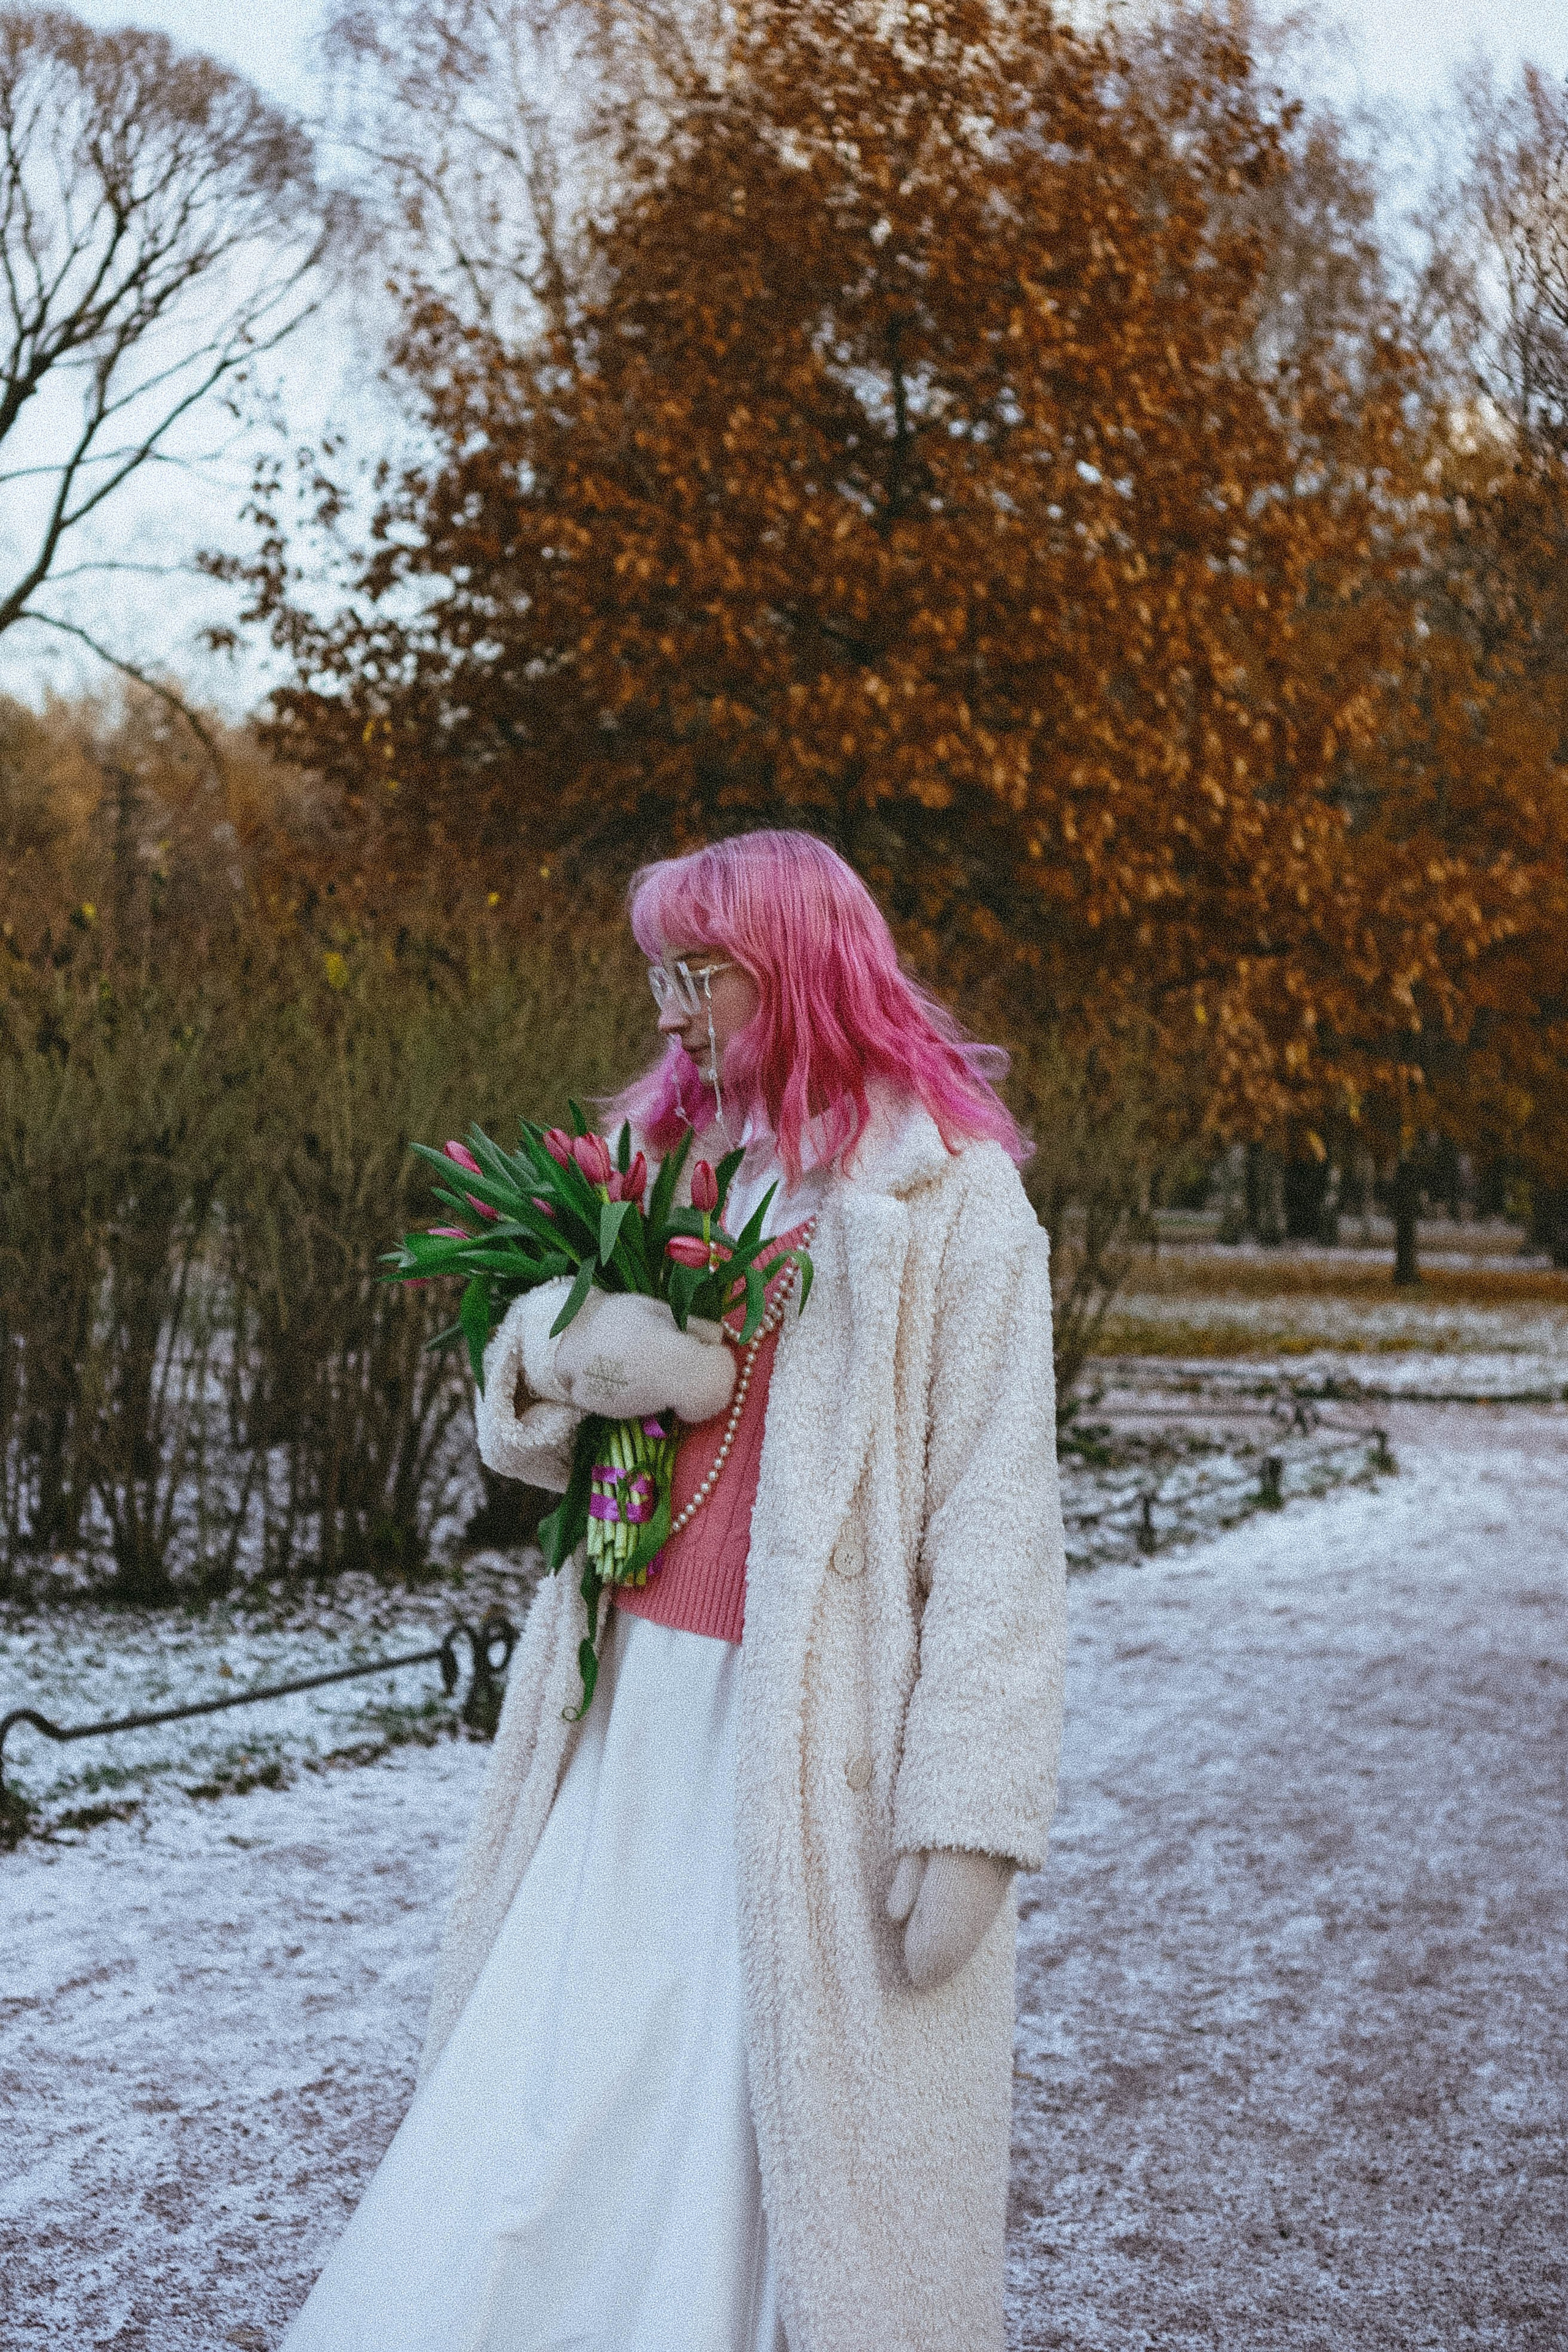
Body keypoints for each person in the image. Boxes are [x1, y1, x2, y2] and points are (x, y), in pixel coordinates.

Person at [281, 829, 1067, 2352]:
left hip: (808, 1740)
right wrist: (566, 1360)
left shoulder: (954, 1207)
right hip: (628, 1705)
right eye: (658, 972)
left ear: (800, 969)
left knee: (753, 2091)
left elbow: (996, 1528)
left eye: (695, 973)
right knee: (564, 2073)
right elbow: (525, 1421)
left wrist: (968, 1812)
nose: (666, 1008)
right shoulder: (669, 1166)